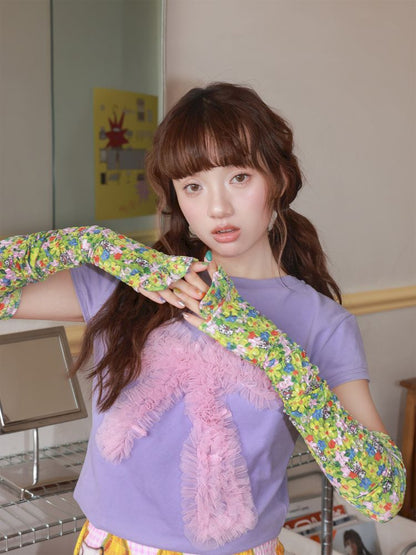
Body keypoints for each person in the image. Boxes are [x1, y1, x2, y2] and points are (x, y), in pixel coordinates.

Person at [0, 83, 405, 555]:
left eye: (239, 177)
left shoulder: (321, 322)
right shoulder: (128, 284)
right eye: (193, 186)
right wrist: (91, 244)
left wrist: (268, 348)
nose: (218, 208)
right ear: (178, 200)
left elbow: (380, 497)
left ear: (278, 179)